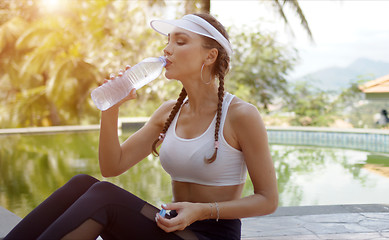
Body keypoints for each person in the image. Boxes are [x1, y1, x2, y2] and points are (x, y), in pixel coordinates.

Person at [5, 13, 278, 240]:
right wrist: (111, 108)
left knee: (105, 197)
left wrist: (200, 211)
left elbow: (268, 200)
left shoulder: (241, 115)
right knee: (82, 184)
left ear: (210, 56)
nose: (167, 49)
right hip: (171, 228)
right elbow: (112, 167)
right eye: (167, 41)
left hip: (209, 235)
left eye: (180, 42)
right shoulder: (168, 113)